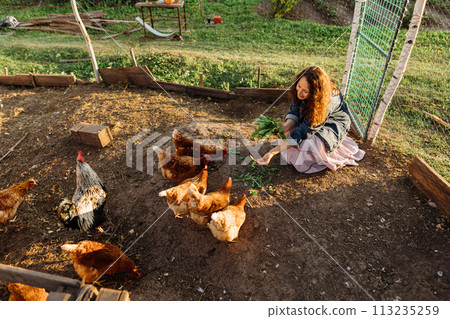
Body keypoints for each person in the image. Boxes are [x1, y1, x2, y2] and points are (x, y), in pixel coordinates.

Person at [256, 66, 365, 173]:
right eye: (299, 86)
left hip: (332, 123)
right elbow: (294, 111)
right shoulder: (299, 89)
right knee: (287, 133)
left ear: (315, 94)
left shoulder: (327, 101)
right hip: (312, 119)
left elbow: (303, 132)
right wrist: (286, 126)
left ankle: (327, 152)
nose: (299, 93)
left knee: (309, 144)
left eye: (305, 91)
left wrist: (272, 153)